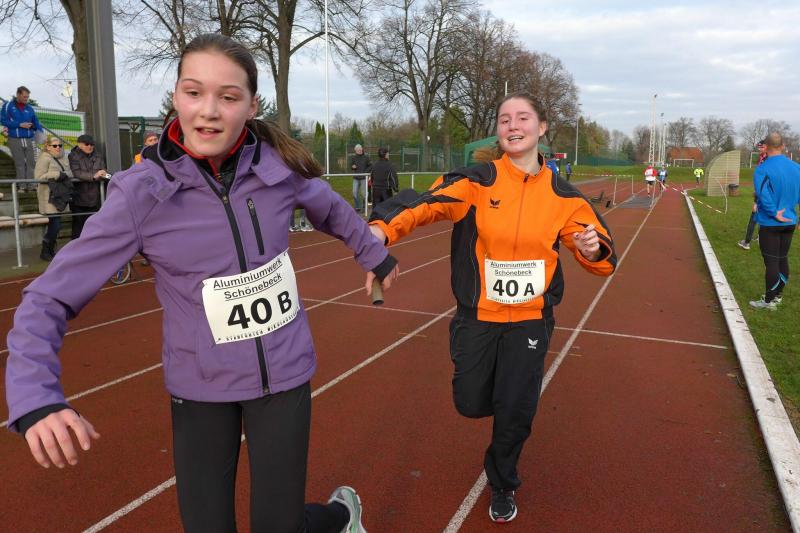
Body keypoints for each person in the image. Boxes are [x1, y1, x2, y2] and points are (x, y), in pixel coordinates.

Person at [6, 34, 401, 533]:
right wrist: (35, 395)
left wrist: (373, 254)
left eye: (228, 97)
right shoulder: (141, 194)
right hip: (200, 385)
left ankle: (340, 516)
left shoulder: (277, 168)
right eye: (194, 92)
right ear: (176, 96)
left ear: (251, 106)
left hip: (283, 374)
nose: (209, 111)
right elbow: (48, 297)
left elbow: (330, 207)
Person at [366, 92, 616, 523]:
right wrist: (379, 231)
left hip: (531, 320)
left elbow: (602, 255)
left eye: (523, 118)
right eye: (504, 119)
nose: (513, 125)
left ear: (542, 127)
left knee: (516, 408)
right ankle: (501, 401)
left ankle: (503, 481)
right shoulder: (476, 182)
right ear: (498, 131)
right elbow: (422, 205)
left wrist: (591, 249)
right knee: (470, 400)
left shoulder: (565, 197)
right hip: (478, 316)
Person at [748, 132, 800, 310]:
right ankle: (777, 296)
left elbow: (763, 195)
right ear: (783, 146)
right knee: (782, 258)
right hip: (789, 222)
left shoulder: (762, 169)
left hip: (771, 222)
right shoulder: (797, 167)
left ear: (766, 147)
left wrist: (774, 213)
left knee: (771, 262)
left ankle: (768, 301)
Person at [33, 135, 73, 261]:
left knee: (56, 225)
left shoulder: (64, 158)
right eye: (55, 145)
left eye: (60, 145)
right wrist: (56, 174)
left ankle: (50, 250)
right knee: (55, 225)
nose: (58, 148)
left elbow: (70, 173)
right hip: (48, 197)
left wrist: (63, 174)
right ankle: (46, 250)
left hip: (60, 196)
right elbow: (38, 177)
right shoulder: (44, 158)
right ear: (48, 147)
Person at [1, 86, 44, 192]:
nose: (26, 99)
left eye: (27, 97)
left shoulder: (29, 108)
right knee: (20, 163)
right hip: (14, 139)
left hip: (29, 139)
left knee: (31, 163)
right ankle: (22, 186)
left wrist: (42, 135)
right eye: (24, 97)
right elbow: (3, 121)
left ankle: (32, 185)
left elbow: (36, 122)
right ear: (18, 95)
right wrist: (19, 124)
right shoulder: (8, 106)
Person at [68, 134, 107, 240]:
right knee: (78, 228)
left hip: (96, 198)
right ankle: (76, 248)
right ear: (79, 144)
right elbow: (76, 173)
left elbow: (103, 171)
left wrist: (106, 175)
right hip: (79, 198)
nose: (90, 146)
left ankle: (93, 247)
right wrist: (93, 176)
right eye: (87, 144)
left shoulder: (98, 155)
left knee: (94, 227)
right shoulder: (73, 156)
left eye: (92, 144)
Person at [738, 139, 768, 250]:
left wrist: (756, 201)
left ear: (767, 147)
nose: (759, 149)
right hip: (764, 193)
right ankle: (762, 238)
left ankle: (746, 242)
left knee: (754, 218)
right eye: (759, 147)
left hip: (764, 195)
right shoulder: (763, 158)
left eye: (762, 147)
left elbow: (765, 180)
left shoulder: (767, 160)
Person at [350, 144, 371, 212]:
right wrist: (352, 167)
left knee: (364, 193)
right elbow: (351, 166)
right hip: (356, 177)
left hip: (364, 177)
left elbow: (370, 166)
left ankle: (364, 206)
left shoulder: (366, 157)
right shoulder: (353, 157)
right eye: (357, 150)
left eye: (360, 149)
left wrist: (365, 172)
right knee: (354, 192)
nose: (359, 150)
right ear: (355, 151)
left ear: (362, 149)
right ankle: (357, 206)